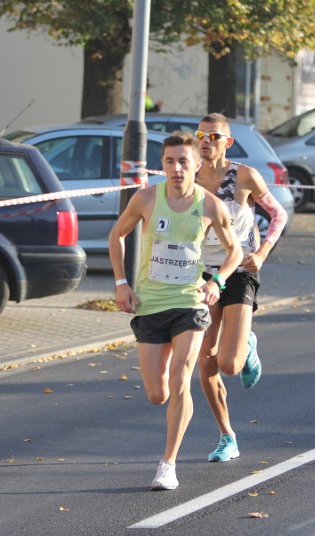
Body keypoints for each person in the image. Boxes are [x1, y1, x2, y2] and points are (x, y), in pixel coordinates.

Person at [109, 131, 242, 490]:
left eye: (184, 161)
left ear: (197, 165)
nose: (177, 168)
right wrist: (122, 283)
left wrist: (217, 282)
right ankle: (167, 410)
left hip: (189, 302)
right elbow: (116, 236)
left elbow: (235, 252)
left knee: (182, 378)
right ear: (163, 165)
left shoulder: (210, 204)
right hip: (151, 304)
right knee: (158, 394)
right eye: (170, 161)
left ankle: (167, 465)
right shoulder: (147, 199)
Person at [195, 112, 288, 463]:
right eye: (201, 135)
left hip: (240, 270)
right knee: (205, 363)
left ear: (227, 142)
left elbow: (279, 214)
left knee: (230, 365)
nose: (206, 141)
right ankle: (227, 436)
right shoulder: (188, 178)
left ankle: (246, 343)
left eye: (214, 136)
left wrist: (263, 251)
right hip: (202, 274)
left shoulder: (244, 176)